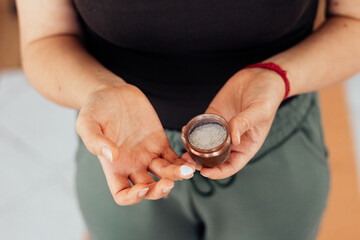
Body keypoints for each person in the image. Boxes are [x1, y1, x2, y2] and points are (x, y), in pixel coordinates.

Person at [16, 0, 360, 239]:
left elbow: (353, 23)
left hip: (275, 146)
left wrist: (274, 77)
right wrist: (100, 90)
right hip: (121, 152)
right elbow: (45, 38)